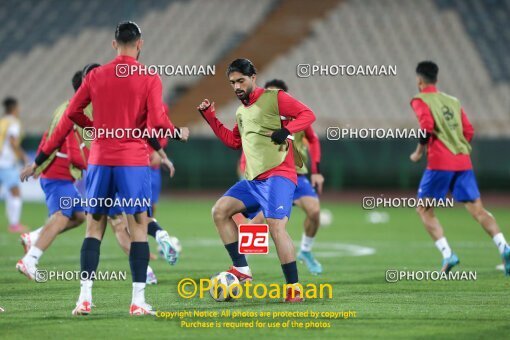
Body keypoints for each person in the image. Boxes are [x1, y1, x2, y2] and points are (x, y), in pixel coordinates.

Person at [21, 21, 188, 315]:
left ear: (114, 44)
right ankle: (137, 302)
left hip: (99, 159)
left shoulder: (96, 75)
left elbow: (73, 112)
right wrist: (176, 133)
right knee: (137, 227)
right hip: (133, 162)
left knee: (93, 228)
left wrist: (96, 128)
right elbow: (158, 122)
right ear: (140, 44)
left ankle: (84, 298)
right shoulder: (149, 77)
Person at [198, 58, 315, 302]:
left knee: (275, 226)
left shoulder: (275, 97)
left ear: (253, 77)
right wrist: (210, 118)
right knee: (219, 211)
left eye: (241, 80)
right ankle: (241, 269)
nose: (237, 86)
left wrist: (288, 130)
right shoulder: (241, 112)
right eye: (232, 83)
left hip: (279, 174)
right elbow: (233, 142)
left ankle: (294, 289)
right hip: (253, 180)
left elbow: (308, 114)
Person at [410, 61, 510, 275]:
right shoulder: (452, 101)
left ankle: (448, 254)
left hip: (439, 163)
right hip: (463, 161)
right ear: (436, 79)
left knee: (424, 209)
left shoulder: (420, 100)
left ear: (419, 80)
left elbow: (426, 126)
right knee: (478, 210)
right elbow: (469, 130)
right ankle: (505, 247)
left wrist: (419, 152)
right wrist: (457, 146)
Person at [238, 79, 325, 275]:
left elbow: (313, 139)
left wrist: (317, 170)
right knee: (257, 224)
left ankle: (306, 251)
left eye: (276, 96)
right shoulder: (259, 118)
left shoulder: (297, 118)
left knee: (315, 212)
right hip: (271, 178)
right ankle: (242, 266)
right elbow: (248, 151)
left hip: (297, 177)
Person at [0, 97, 29, 233]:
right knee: (15, 193)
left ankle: (13, 223)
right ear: (14, 108)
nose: (20, 109)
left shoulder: (2, 121)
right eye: (18, 107)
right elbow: (12, 141)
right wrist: (23, 157)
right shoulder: (13, 122)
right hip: (6, 163)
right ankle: (14, 224)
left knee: (11, 194)